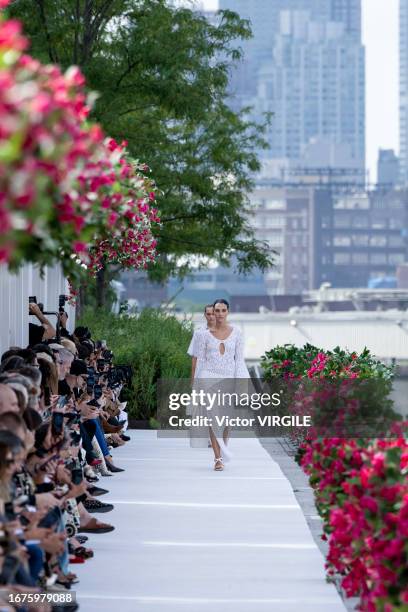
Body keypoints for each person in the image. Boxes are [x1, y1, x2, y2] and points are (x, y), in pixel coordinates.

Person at [190, 299, 250, 471]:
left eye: (223, 310)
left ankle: (223, 450)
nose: (220, 314)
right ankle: (217, 458)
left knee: (226, 420)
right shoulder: (203, 334)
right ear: (213, 312)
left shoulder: (237, 332)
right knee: (214, 419)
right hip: (209, 379)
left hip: (229, 379)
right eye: (217, 310)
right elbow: (200, 361)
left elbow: (239, 360)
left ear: (228, 312)